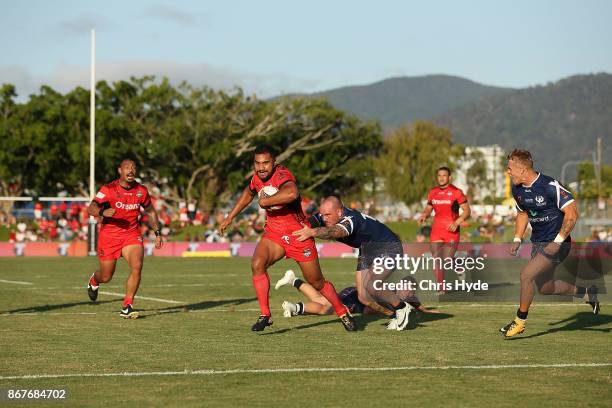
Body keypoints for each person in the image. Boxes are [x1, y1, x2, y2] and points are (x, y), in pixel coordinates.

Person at [219, 145, 357, 332]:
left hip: (299, 235)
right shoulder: (257, 178)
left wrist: (266, 201)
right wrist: (230, 217)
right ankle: (265, 315)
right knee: (257, 264)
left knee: (317, 282)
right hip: (275, 234)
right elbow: (248, 193)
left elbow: (292, 192)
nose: (261, 167)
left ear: (274, 163)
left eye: (266, 163)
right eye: (257, 163)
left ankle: (342, 312)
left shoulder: (282, 175)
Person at [500, 149, 599, 338]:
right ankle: (587, 293)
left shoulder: (549, 185)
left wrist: (558, 241)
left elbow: (572, 213)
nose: (508, 172)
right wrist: (517, 238)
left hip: (558, 243)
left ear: (522, 170)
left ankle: (520, 321)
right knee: (546, 288)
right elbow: (522, 214)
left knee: (526, 275)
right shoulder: (517, 188)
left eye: (510, 168)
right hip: (538, 242)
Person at [292, 196, 413, 330]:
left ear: (339, 212)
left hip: (388, 246)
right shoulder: (325, 216)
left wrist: (313, 232)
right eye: (322, 215)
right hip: (368, 249)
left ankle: (402, 307)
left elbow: (335, 232)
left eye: (327, 215)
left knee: (372, 285)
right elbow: (306, 222)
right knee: (363, 298)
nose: (324, 218)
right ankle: (394, 314)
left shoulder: (350, 219)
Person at [86, 159, 163, 318]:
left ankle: (127, 305)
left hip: (131, 235)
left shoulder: (141, 190)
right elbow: (91, 207)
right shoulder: (108, 189)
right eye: (127, 168)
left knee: (137, 266)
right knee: (106, 276)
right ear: (119, 170)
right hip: (109, 237)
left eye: (133, 168)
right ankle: (95, 280)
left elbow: (150, 211)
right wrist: (102, 213)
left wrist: (157, 233)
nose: (131, 170)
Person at [276, 269, 440, 318]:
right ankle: (295, 307)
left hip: (357, 300)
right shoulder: (389, 292)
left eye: (412, 291)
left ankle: (294, 281)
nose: (410, 293)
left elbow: (418, 304)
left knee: (323, 302)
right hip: (354, 296)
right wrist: (389, 314)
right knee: (327, 308)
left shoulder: (406, 298)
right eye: (409, 289)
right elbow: (369, 308)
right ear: (401, 285)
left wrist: (427, 311)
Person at [418, 167, 471, 292]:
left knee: (446, 259)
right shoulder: (433, 192)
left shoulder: (456, 192)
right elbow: (429, 208)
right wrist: (424, 214)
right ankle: (442, 287)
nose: (441, 178)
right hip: (436, 230)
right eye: (439, 175)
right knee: (437, 259)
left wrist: (457, 222)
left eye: (444, 175)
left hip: (451, 231)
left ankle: (457, 265)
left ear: (449, 177)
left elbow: (467, 210)